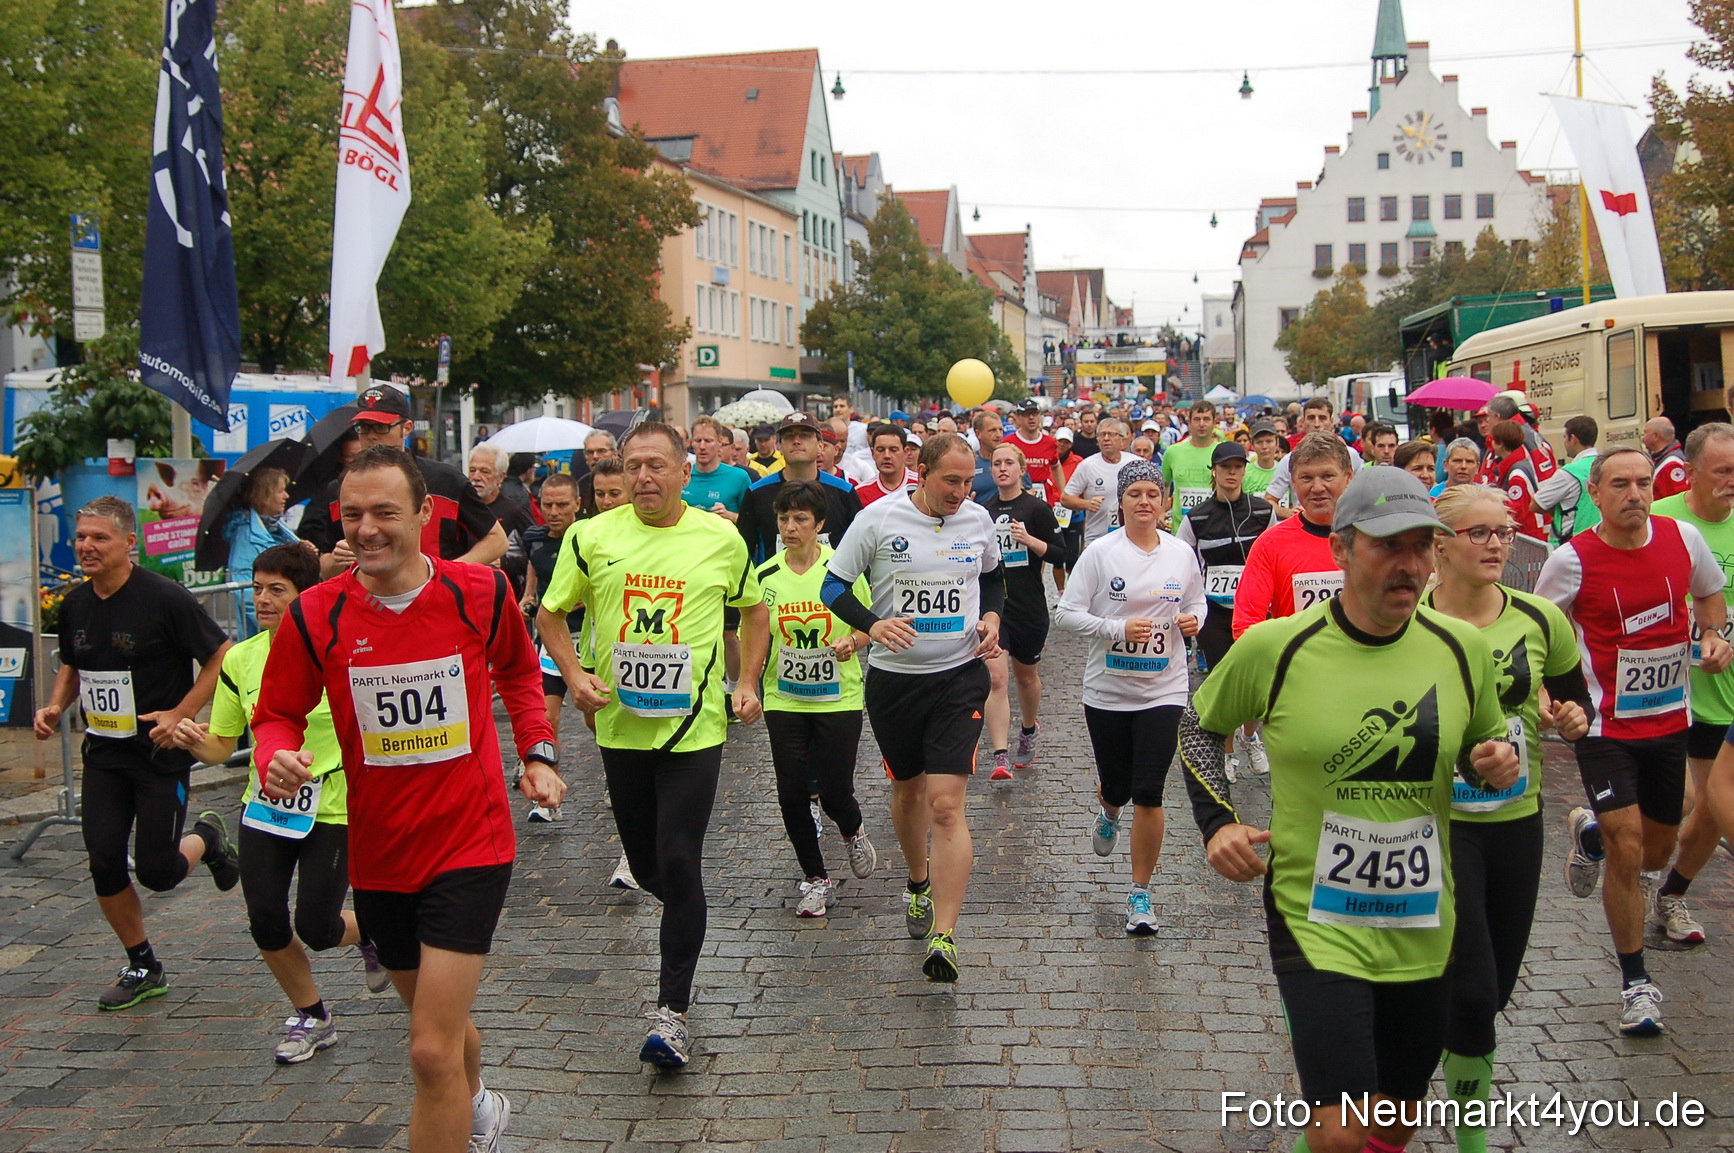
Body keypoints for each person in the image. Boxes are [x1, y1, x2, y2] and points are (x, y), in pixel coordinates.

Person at [1182, 467, 1518, 1153]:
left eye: (1422, 546)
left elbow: (1480, 746)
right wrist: (1218, 823)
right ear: (1340, 548)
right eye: (1389, 545)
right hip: (1316, 917)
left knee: (1394, 1122)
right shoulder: (1275, 648)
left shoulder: (1463, 649)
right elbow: (1196, 726)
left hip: (1423, 920)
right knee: (1340, 1129)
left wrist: (1492, 761)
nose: (1410, 564)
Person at [252, 446, 562, 1153]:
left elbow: (519, 673)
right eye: (352, 514)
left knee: (427, 1048)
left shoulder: (478, 592)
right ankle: (478, 1105)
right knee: (436, 1025)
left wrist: (537, 751)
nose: (366, 529)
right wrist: (274, 757)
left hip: (470, 840)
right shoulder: (316, 613)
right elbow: (276, 714)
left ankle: (459, 1115)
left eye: (385, 512)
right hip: (382, 854)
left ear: (424, 513)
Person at [537, 422, 769, 1069]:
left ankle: (671, 1013)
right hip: (619, 728)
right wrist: (574, 674)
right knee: (645, 868)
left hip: (695, 729)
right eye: (633, 465)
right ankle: (686, 915)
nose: (643, 476)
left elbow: (755, 610)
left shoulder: (719, 538)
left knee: (678, 856)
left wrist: (747, 681)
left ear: (683, 473)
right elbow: (550, 614)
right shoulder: (591, 536)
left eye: (656, 465)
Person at [1536, 446, 1732, 1036]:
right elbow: (1536, 631)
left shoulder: (1683, 540)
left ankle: (1589, 833)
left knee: (1653, 852)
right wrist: (1547, 697)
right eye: (1620, 484)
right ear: (1595, 493)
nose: (1635, 495)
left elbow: (1710, 593)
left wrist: (1714, 635)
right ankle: (1636, 984)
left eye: (1644, 483)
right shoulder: (1571, 560)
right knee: (1628, 848)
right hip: (1603, 727)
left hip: (1670, 721)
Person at [169, 544, 390, 1063]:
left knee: (317, 928)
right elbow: (222, 747)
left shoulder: (341, 647)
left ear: (304, 595)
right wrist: (191, 739)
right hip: (265, 805)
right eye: (256, 588)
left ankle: (373, 929)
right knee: (266, 919)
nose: (262, 600)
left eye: (276, 590)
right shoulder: (241, 658)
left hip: (332, 804)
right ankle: (313, 1016)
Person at [1425, 486, 1591, 1153]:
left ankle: (1437, 1037)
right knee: (1473, 990)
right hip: (1439, 823)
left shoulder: (1539, 618)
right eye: (1480, 532)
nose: (1497, 544)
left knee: (1491, 993)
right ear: (1441, 545)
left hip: (1517, 820)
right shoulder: (1412, 621)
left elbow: (1576, 702)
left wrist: (1572, 720)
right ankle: (1470, 1137)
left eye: (1506, 531)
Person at [32, 497, 237, 1011]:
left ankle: (208, 838)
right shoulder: (76, 603)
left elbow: (220, 654)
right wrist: (55, 706)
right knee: (104, 862)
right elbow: (72, 664)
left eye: (99, 537)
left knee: (157, 873)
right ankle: (143, 963)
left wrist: (181, 713)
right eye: (81, 537)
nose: (86, 546)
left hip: (158, 756)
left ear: (128, 543)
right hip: (103, 755)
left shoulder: (163, 598)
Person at [821, 432, 1002, 983]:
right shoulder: (877, 519)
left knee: (946, 804)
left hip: (959, 678)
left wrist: (992, 618)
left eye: (968, 481)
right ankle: (917, 880)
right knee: (908, 791)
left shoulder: (977, 520)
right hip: (895, 682)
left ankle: (944, 936)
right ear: (921, 471)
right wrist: (873, 625)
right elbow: (832, 588)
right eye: (951, 480)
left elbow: (993, 577)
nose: (961, 492)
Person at [1055, 460, 1203, 933]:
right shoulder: (1101, 553)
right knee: (1117, 786)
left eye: (1152, 494)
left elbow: (1195, 602)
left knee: (1150, 790)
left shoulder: (1180, 553)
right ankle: (1109, 809)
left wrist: (1193, 620)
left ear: (1164, 502)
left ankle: (1140, 893)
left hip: (1165, 688)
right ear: (1120, 502)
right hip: (1108, 691)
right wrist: (1116, 628)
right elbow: (1065, 613)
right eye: (1134, 493)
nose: (1144, 501)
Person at [755, 481, 878, 917]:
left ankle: (852, 830)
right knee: (791, 791)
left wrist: (853, 642)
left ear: (819, 523)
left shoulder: (841, 572)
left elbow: (868, 626)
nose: (790, 527)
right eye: (783, 519)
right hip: (784, 697)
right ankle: (815, 879)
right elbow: (755, 636)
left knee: (834, 791)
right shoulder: (765, 576)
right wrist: (746, 683)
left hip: (838, 697)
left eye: (800, 519)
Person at [1645, 423, 1734, 945]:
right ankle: (1604, 825)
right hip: (1667, 688)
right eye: (1722, 471)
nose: (1732, 480)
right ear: (1691, 472)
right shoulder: (1660, 520)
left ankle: (1672, 894)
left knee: (1713, 809)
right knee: (1678, 800)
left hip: (1726, 690)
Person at [300, 386, 506, 578]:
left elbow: (497, 540)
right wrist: (337, 559)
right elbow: (326, 569)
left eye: (381, 427)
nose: (371, 436)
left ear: (406, 428)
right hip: (368, 600)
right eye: (363, 427)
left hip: (437, 599)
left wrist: (444, 576)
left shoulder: (445, 481)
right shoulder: (341, 488)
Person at [1177, 441, 1275, 777]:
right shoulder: (1197, 517)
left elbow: (1274, 554)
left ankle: (1250, 735)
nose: (1231, 473)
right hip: (1214, 611)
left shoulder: (1262, 511)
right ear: (1214, 472)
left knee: (1256, 680)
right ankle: (1227, 752)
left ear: (1245, 471)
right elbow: (1183, 562)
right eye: (1225, 467)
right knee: (1225, 680)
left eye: (1237, 467)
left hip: (1254, 609)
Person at [982, 442, 1064, 779]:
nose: (1002, 468)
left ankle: (1029, 729)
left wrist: (1030, 541)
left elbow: (1062, 554)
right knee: (996, 678)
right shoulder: (982, 511)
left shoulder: (1037, 509)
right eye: (996, 463)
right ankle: (1000, 755)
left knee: (1025, 676)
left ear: (1021, 469)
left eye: (1008, 463)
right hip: (995, 609)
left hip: (1029, 606)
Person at [508, 471, 585, 823]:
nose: (553, 512)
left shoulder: (588, 537)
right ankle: (547, 795)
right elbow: (535, 565)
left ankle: (616, 779)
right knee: (547, 716)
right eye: (547, 505)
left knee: (595, 720)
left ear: (577, 504)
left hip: (588, 639)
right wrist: (528, 594)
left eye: (562, 505)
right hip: (552, 640)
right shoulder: (533, 537)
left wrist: (572, 601)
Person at [1232, 432, 1353, 639]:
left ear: (1348, 476)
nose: (1317, 488)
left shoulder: (1373, 537)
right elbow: (1245, 624)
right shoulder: (1270, 544)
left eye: (1327, 476)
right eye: (1306, 478)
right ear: (1293, 483)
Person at [737, 412, 862, 563]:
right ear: (780, 447)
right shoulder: (757, 493)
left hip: (830, 578)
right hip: (773, 578)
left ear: (820, 445)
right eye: (789, 436)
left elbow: (859, 549)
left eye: (805, 435)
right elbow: (744, 552)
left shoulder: (843, 492)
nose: (796, 441)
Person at [222, 465, 310, 633]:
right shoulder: (245, 534)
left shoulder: (277, 527)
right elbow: (245, 593)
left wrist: (304, 553)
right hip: (264, 634)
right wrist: (279, 622)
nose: (286, 496)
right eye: (280, 491)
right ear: (264, 495)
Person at [1262, 397, 1348, 516]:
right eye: (1311, 418)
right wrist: (1287, 513)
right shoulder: (1289, 459)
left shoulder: (1350, 455)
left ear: (1331, 421)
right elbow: (1269, 500)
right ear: (1302, 422)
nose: (1317, 424)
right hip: (1305, 524)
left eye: (1322, 418)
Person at [469, 442, 536, 589]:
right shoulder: (460, 510)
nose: (476, 477)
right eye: (472, 470)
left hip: (505, 594)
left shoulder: (514, 512)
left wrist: (504, 564)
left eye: (484, 471)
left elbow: (538, 555)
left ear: (501, 477)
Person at [1062, 417, 1134, 549]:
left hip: (1129, 538)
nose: (1106, 438)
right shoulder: (1087, 465)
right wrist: (1087, 504)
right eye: (1102, 434)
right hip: (1097, 540)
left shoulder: (1135, 464)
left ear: (1122, 440)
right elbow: (1065, 499)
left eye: (1111, 434)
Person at [1531, 415, 1600, 544]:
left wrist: (1559, 510)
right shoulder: (1605, 465)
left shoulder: (1569, 473)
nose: (1564, 443)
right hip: (1600, 540)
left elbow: (1536, 504)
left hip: (1571, 544)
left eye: (1565, 437)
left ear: (1573, 439)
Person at [1160, 401, 1221, 531]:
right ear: (1189, 423)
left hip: (1214, 526)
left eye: (1206, 419)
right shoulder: (1172, 452)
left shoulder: (1222, 451)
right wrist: (1161, 511)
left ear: (1214, 422)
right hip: (1180, 529)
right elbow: (1164, 485)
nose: (1202, 424)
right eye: (1197, 419)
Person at [1485, 421, 1546, 541]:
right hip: (1529, 535)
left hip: (1527, 538)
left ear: (1500, 444)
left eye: (1493, 440)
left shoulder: (1517, 474)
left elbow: (1514, 513)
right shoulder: (1520, 464)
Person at [1007, 399, 1063, 506]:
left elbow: (1056, 466)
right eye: (1026, 414)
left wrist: (1063, 493)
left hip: (1044, 495)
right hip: (1019, 493)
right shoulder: (1009, 443)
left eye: (1034, 413)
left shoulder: (1049, 442)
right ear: (1018, 417)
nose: (1031, 417)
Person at [856, 422, 920, 506]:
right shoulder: (860, 493)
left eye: (893, 450)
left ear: (905, 452)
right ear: (873, 453)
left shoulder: (921, 485)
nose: (887, 456)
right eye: (880, 450)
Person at [1643, 416, 1690, 500]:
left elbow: (1678, 500)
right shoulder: (1661, 459)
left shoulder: (1672, 465)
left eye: (1645, 433)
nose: (1643, 438)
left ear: (1655, 436)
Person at [1244, 422, 1281, 496]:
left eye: (1269, 441)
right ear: (1252, 445)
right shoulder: (1245, 474)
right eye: (1259, 442)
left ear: (1277, 443)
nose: (1264, 446)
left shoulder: (1285, 472)